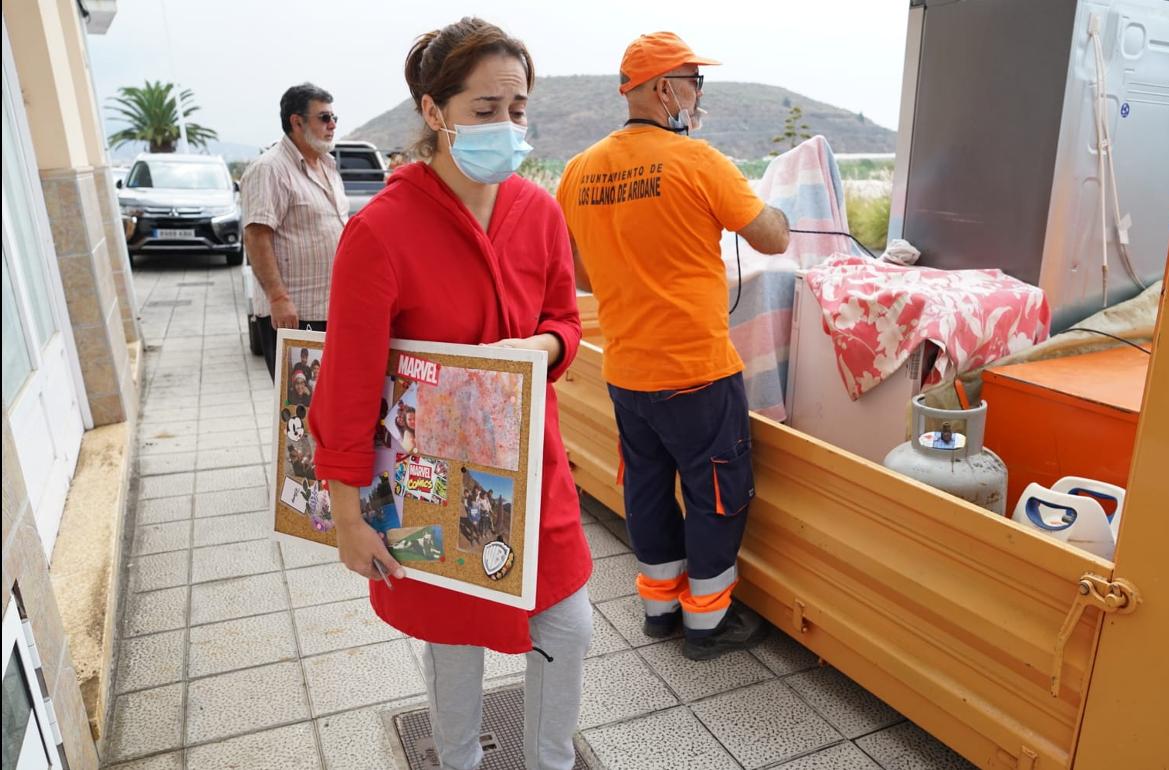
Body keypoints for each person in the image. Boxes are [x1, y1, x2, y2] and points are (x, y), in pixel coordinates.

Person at [307, 18, 591, 770]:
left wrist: (544, 345)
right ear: (434, 112)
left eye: (519, 108)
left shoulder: (539, 210)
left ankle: (551, 762)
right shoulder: (380, 232)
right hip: (434, 480)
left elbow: (565, 317)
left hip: (536, 469)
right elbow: (348, 383)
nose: (507, 125)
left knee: (567, 627)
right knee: (453, 644)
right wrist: (344, 515)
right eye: (486, 110)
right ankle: (458, 759)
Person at [555, 31, 791, 662]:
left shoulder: (578, 172)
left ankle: (660, 609)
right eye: (695, 82)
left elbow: (577, 277)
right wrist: (775, 210)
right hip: (695, 371)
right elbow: (771, 239)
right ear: (665, 89)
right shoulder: (699, 161)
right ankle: (709, 624)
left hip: (628, 374)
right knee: (717, 491)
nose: (698, 95)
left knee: (649, 488)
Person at [241, 82, 349, 379]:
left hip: (331, 309)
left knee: (329, 404)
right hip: (294, 315)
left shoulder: (327, 164)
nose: (332, 125)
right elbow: (256, 236)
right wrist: (278, 298)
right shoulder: (270, 169)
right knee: (299, 411)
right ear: (297, 122)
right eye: (324, 118)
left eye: (334, 118)